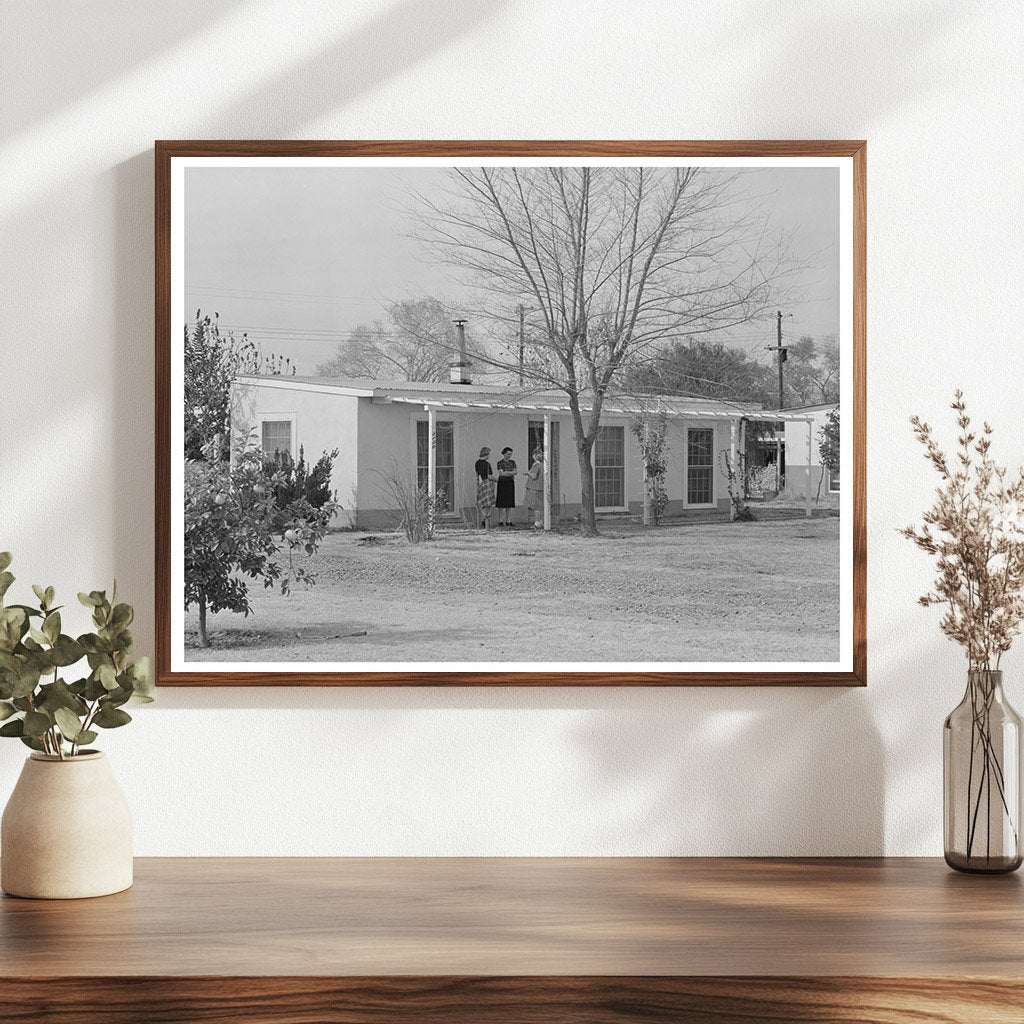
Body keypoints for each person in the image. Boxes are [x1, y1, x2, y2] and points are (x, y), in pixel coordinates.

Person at [523, 448, 546, 530]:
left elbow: (534, 476)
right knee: (539, 506)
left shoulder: (536, 464)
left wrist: (527, 473)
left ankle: (537, 523)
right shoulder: (543, 465)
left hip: (534, 487)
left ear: (534, 456)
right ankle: (541, 522)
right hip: (540, 487)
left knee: (536, 507)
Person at [474, 447, 496, 529]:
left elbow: (477, 474)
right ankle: (486, 520)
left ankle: (482, 520)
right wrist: (497, 480)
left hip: (480, 483)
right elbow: (489, 476)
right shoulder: (487, 464)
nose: (489, 456)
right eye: (489, 454)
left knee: (482, 502)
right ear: (486, 454)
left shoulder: (477, 463)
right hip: (487, 483)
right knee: (488, 503)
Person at [495, 447, 517, 527]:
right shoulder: (500, 463)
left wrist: (507, 472)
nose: (509, 456)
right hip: (502, 482)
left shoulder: (513, 462)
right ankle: (500, 520)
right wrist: (510, 473)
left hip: (510, 482)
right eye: (508, 454)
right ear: (504, 454)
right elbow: (501, 474)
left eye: (510, 454)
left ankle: (508, 520)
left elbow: (515, 472)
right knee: (501, 502)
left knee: (509, 502)